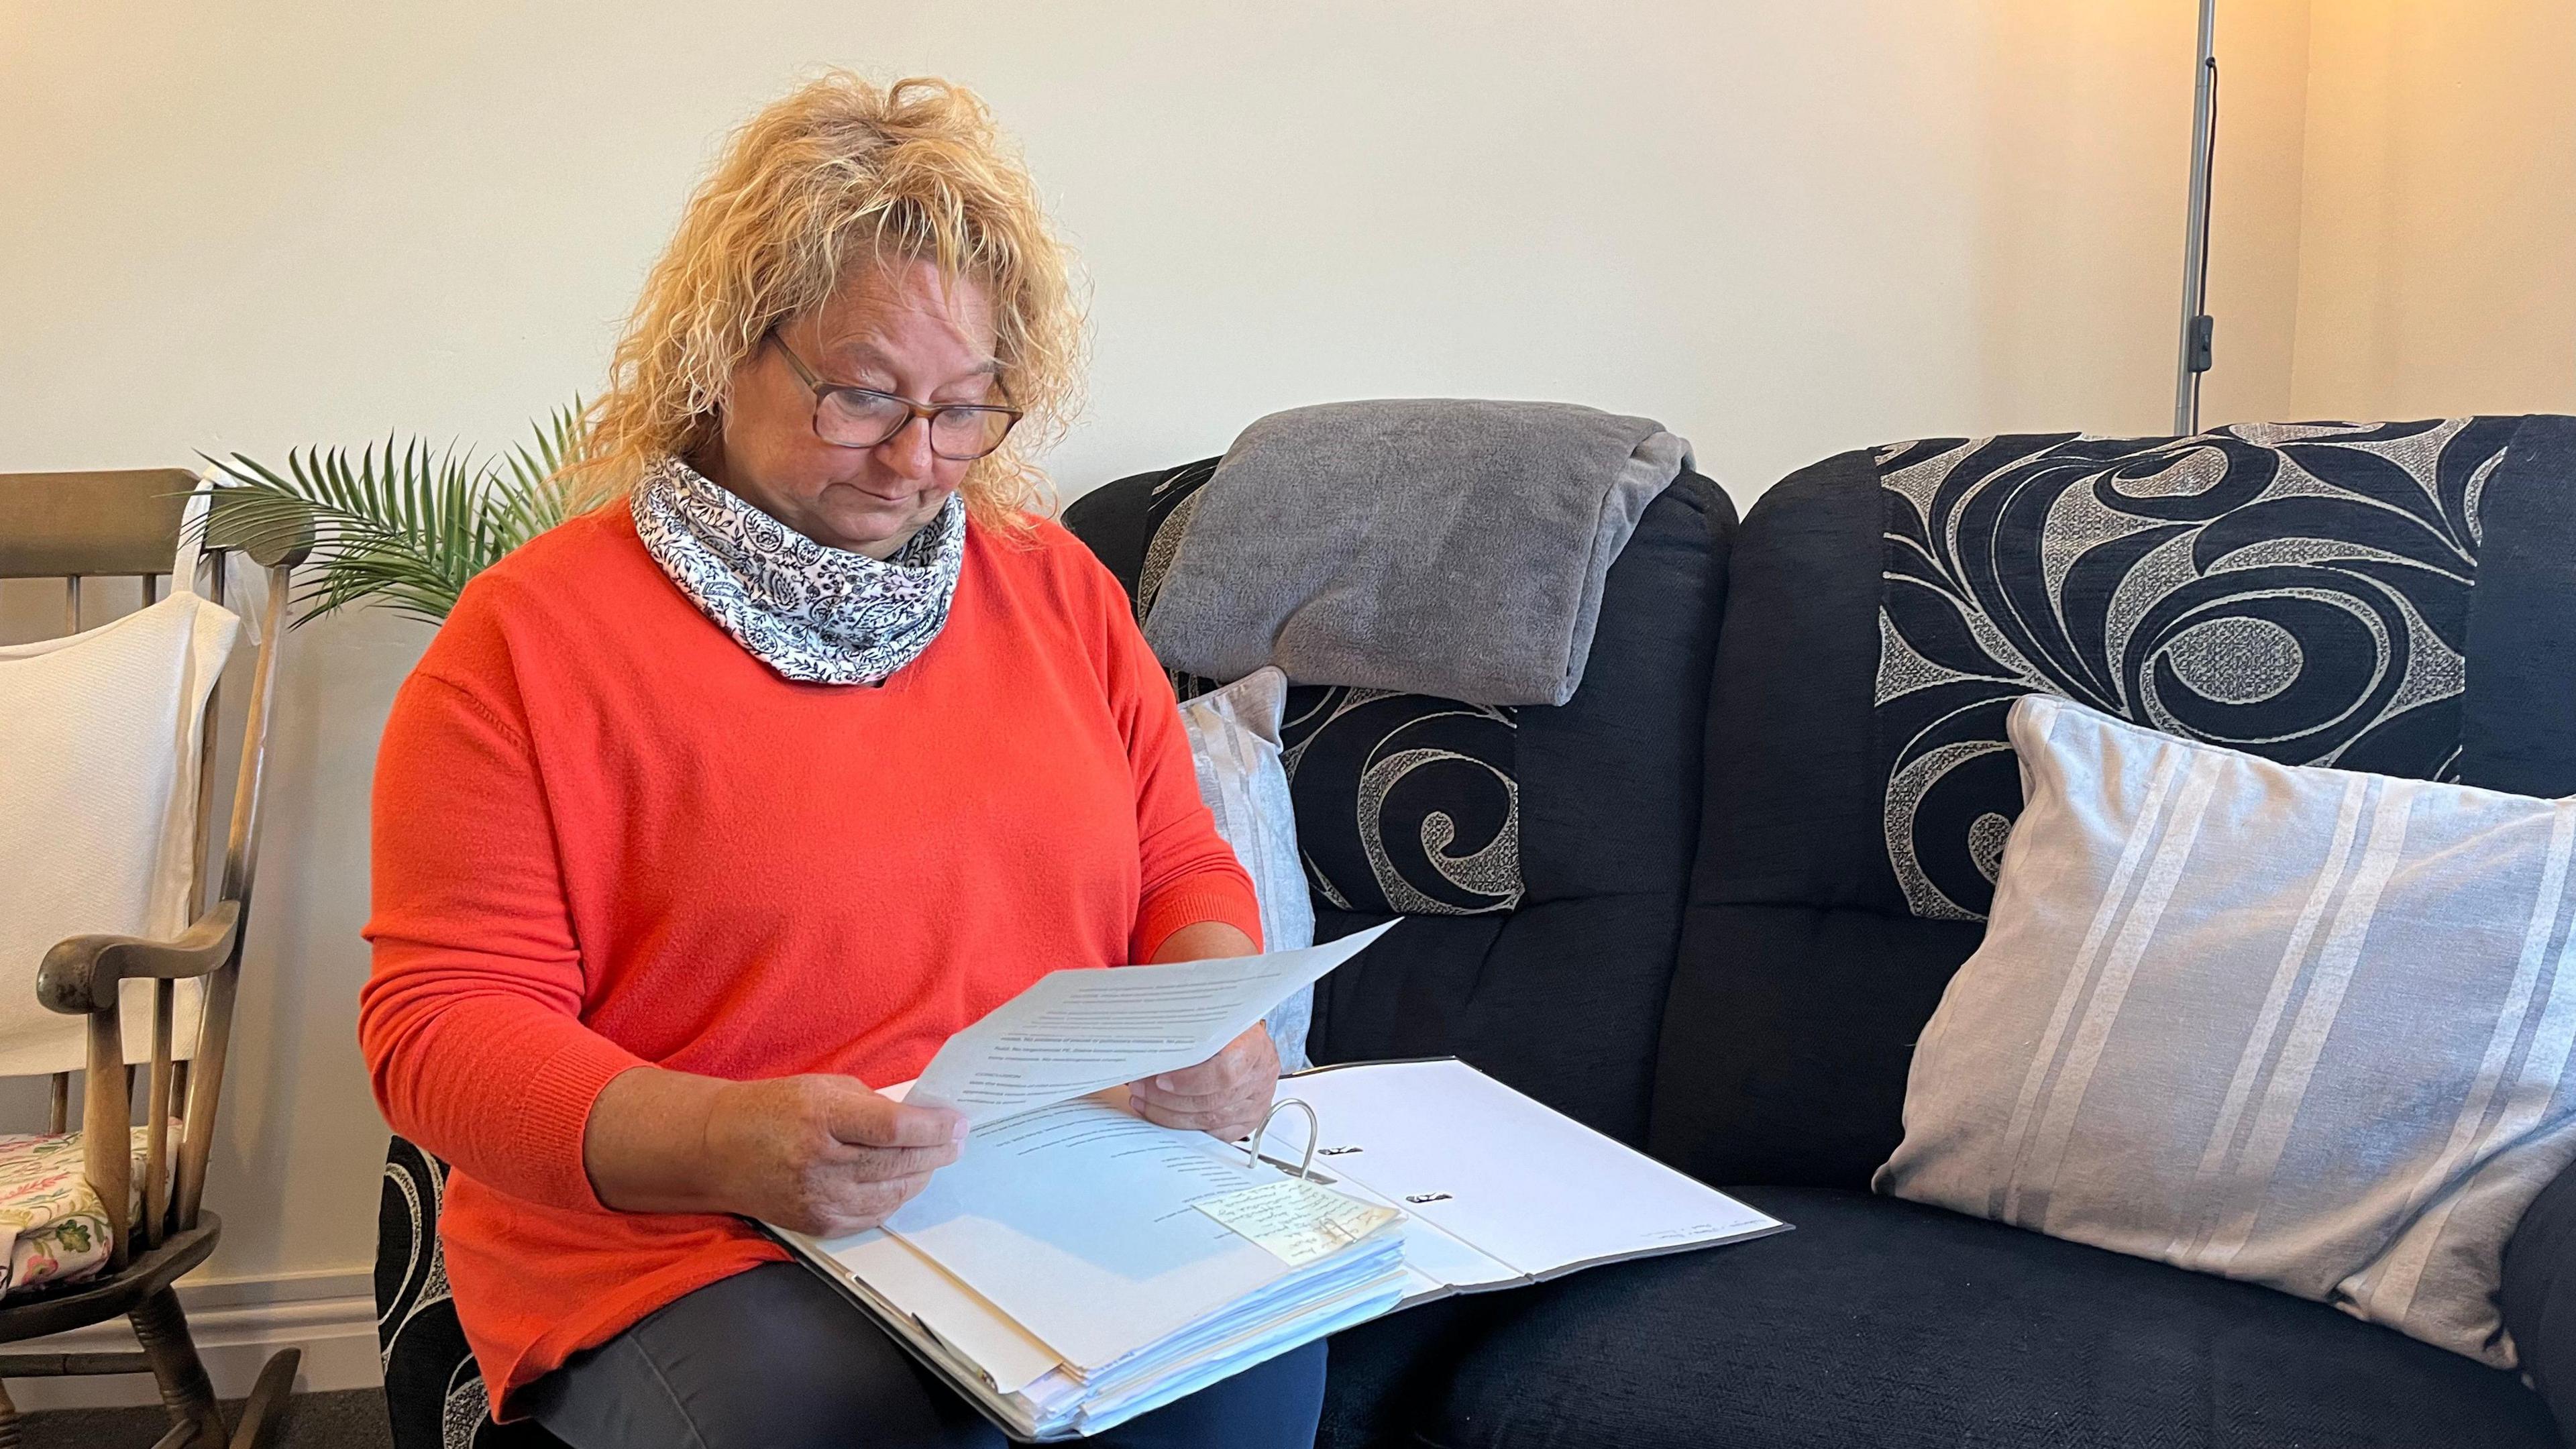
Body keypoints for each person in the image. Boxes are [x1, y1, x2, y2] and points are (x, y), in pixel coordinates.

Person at [358, 72, 1320, 1449]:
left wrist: (1211, 1013)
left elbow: (1177, 862)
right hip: (688, 1241)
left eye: (966, 409)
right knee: (841, 1424)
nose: (913, 460)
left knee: (1252, 1374)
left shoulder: (1055, 590)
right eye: (861, 398)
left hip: (1045, 1180)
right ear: (724, 349)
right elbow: (441, 1033)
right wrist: (721, 1141)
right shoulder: (528, 640)